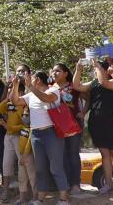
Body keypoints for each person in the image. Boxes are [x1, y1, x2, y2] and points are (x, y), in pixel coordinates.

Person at [81, 58, 113, 194]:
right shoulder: (94, 83)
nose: (95, 71)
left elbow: (104, 82)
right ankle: (108, 183)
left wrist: (99, 66)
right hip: (97, 124)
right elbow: (77, 86)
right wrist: (78, 69)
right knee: (105, 154)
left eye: (97, 68)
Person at [23, 70, 71, 205]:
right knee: (40, 168)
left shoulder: (53, 90)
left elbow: (45, 98)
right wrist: (14, 85)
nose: (29, 80)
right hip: (36, 134)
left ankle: (63, 198)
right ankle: (40, 199)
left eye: (31, 78)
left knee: (56, 167)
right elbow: (15, 100)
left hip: (51, 133)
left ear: (37, 79)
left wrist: (31, 87)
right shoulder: (31, 94)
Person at [0, 70, 36, 205]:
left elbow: (24, 125)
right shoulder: (8, 103)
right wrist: (8, 99)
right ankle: (5, 191)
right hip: (8, 137)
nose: (10, 91)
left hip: (20, 138)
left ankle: (28, 195)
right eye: (9, 89)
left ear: (20, 91)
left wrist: (10, 127)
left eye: (13, 89)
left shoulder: (23, 105)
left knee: (24, 167)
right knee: (6, 164)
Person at [50, 62, 85, 194]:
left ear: (65, 74)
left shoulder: (73, 86)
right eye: (53, 71)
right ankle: (65, 185)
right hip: (57, 126)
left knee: (73, 154)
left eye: (58, 71)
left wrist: (83, 112)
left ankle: (76, 184)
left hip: (73, 125)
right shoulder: (50, 88)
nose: (54, 73)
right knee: (62, 155)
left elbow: (88, 97)